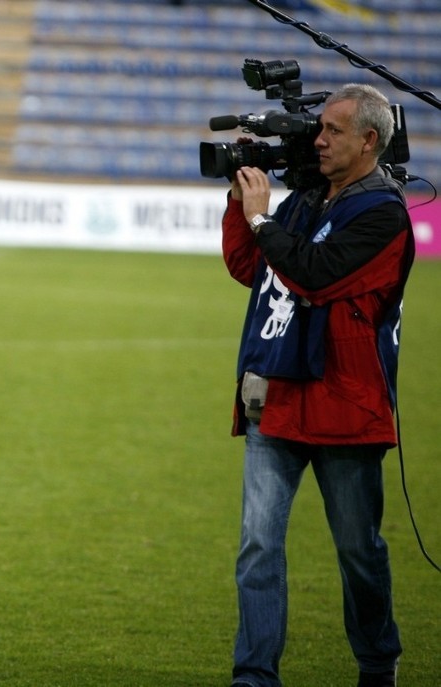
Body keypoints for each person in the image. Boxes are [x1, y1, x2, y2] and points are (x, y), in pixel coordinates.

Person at [222, 83, 414, 687]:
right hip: (277, 397)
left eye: (332, 131)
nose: (317, 140)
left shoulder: (384, 214)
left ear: (369, 140)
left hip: (345, 406)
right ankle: (254, 677)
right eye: (318, 129)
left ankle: (376, 665)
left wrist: (261, 217)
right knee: (257, 549)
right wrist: (241, 207)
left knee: (359, 554)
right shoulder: (306, 201)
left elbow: (313, 275)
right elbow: (251, 268)